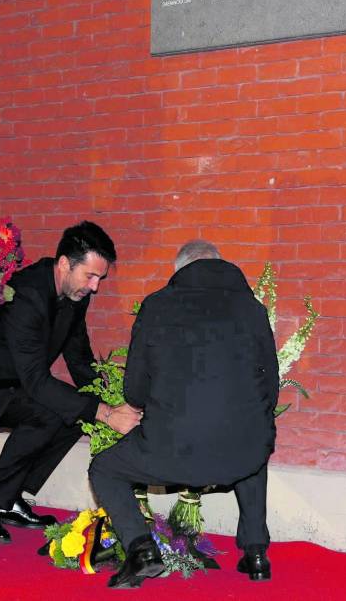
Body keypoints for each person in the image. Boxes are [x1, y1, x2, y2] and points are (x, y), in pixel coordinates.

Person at [0, 221, 142, 544]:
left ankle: (10, 497)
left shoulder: (75, 294)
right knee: (52, 412)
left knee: (77, 411)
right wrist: (106, 413)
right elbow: (37, 382)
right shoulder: (27, 295)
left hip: (13, 381)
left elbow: (78, 357)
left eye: (100, 279)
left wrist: (108, 395)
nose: (95, 287)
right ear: (64, 264)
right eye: (90, 276)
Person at [89, 239, 279, 589]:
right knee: (251, 438)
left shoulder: (156, 306)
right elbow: (270, 387)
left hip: (170, 454)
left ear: (179, 271)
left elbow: (134, 391)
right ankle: (256, 554)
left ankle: (142, 549)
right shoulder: (253, 310)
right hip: (238, 455)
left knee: (104, 468)